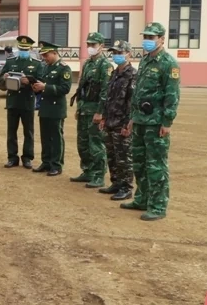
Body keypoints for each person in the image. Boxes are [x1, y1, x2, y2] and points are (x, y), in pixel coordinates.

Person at [120, 22, 181, 221]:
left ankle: (158, 206)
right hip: (139, 121)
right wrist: (132, 118)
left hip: (156, 123)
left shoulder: (168, 64)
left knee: (156, 165)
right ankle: (142, 198)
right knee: (139, 163)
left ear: (162, 39)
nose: (147, 41)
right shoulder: (146, 61)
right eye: (145, 37)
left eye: (151, 37)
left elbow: (172, 95)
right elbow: (137, 93)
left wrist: (167, 122)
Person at [70, 32, 112, 189]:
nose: (90, 48)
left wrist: (100, 112)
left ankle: (98, 175)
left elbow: (105, 91)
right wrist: (78, 108)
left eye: (93, 45)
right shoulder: (87, 64)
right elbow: (82, 87)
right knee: (83, 142)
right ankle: (87, 171)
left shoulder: (105, 65)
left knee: (96, 143)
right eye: (88, 45)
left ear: (101, 46)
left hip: (95, 110)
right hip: (84, 109)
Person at [97, 40, 137, 201]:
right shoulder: (114, 73)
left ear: (129, 54)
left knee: (124, 156)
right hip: (110, 121)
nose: (116, 56)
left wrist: (129, 123)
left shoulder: (133, 75)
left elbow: (132, 102)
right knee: (112, 154)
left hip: (122, 122)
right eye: (114, 53)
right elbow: (109, 98)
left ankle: (126, 187)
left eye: (120, 53)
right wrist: (104, 117)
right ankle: (116, 183)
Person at [0, 35, 45, 169]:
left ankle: (27, 158)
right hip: (13, 101)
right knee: (11, 131)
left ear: (30, 49)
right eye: (21, 48)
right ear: (18, 48)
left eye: (26, 49)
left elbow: (40, 82)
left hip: (27, 101)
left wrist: (29, 81)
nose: (23, 51)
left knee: (28, 131)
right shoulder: (11, 61)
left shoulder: (36, 63)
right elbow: (1, 78)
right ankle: (12, 157)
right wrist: (4, 77)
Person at [31, 41, 72, 176]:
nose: (44, 58)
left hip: (56, 108)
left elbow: (65, 89)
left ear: (54, 53)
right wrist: (37, 88)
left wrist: (45, 87)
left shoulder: (63, 68)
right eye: (43, 55)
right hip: (45, 107)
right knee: (45, 136)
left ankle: (56, 164)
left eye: (46, 55)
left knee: (56, 137)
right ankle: (46, 162)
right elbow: (42, 84)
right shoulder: (46, 67)